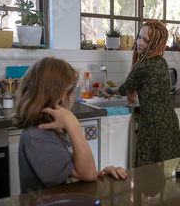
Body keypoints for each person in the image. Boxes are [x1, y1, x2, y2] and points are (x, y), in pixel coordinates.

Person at [13, 57, 127, 193]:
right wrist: (73, 125)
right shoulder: (37, 137)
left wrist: (101, 174)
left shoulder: (53, 130)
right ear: (62, 96)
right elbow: (87, 174)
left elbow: (75, 173)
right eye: (73, 92)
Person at [101, 20, 180, 167]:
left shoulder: (144, 65)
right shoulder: (161, 61)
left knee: (146, 171)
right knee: (167, 171)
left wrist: (109, 89)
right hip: (169, 122)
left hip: (153, 125)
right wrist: (114, 88)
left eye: (146, 40)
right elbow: (132, 84)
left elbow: (125, 89)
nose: (139, 43)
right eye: (139, 37)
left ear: (156, 43)